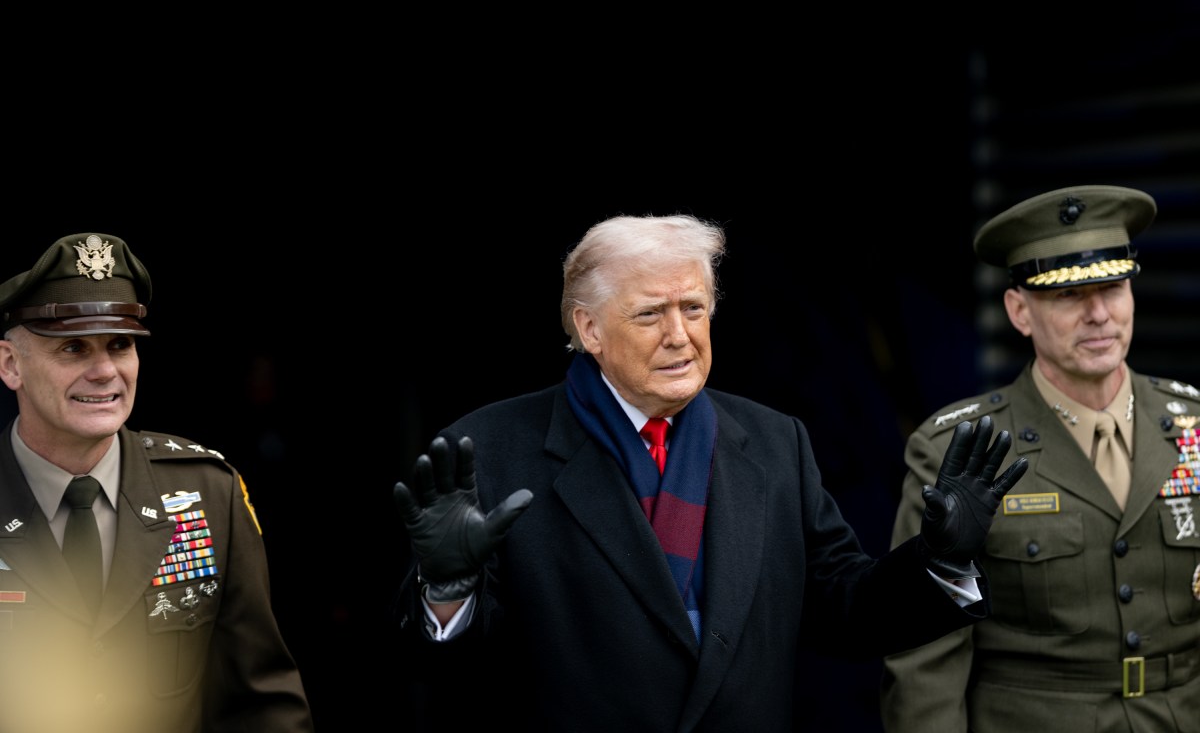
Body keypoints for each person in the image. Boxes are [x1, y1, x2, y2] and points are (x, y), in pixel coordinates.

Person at [391, 213, 1029, 731]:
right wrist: (448, 589)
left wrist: (939, 561)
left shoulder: (776, 443)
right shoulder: (489, 450)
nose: (680, 336)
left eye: (694, 309)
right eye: (650, 314)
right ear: (588, 328)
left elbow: (845, 611)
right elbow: (442, 679)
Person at [880, 185, 1200, 732]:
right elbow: (925, 659)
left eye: (1113, 286)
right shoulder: (957, 451)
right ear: (1019, 311)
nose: (1098, 314)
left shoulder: (1193, 424)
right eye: (1068, 295)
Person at [0, 233, 313, 733]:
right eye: (73, 347)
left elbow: (261, 707)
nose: (104, 371)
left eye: (120, 345)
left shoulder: (209, 495)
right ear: (11, 365)